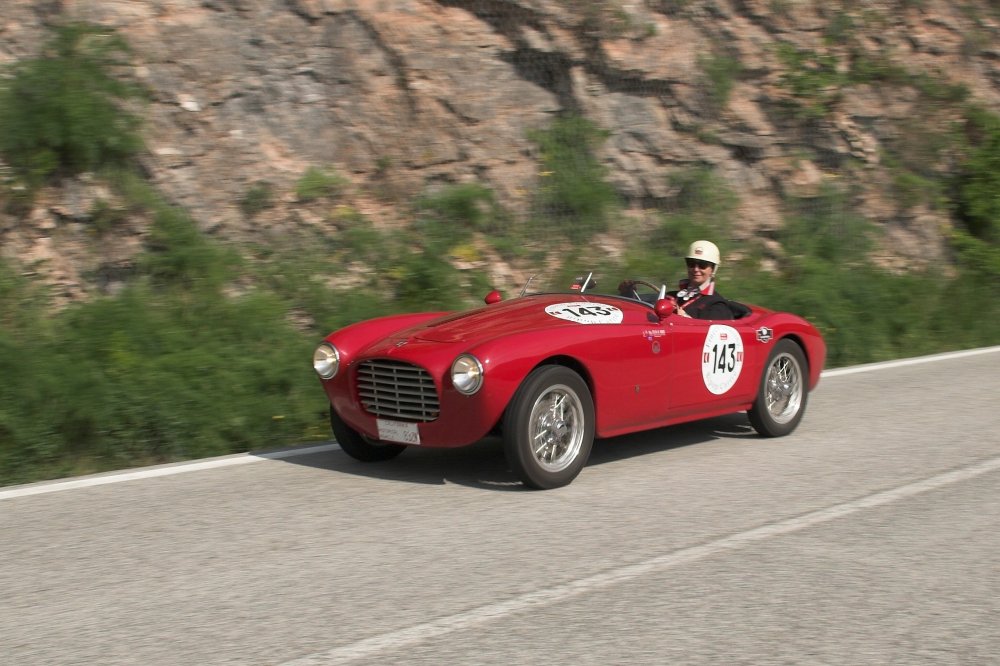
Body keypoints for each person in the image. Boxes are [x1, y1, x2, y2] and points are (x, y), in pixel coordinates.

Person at [619, 240, 737, 319]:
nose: (695, 269)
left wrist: (683, 316)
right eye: (691, 263)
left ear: (713, 269)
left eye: (702, 265)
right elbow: (645, 313)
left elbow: (712, 332)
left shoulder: (717, 304)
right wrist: (628, 294)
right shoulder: (671, 296)